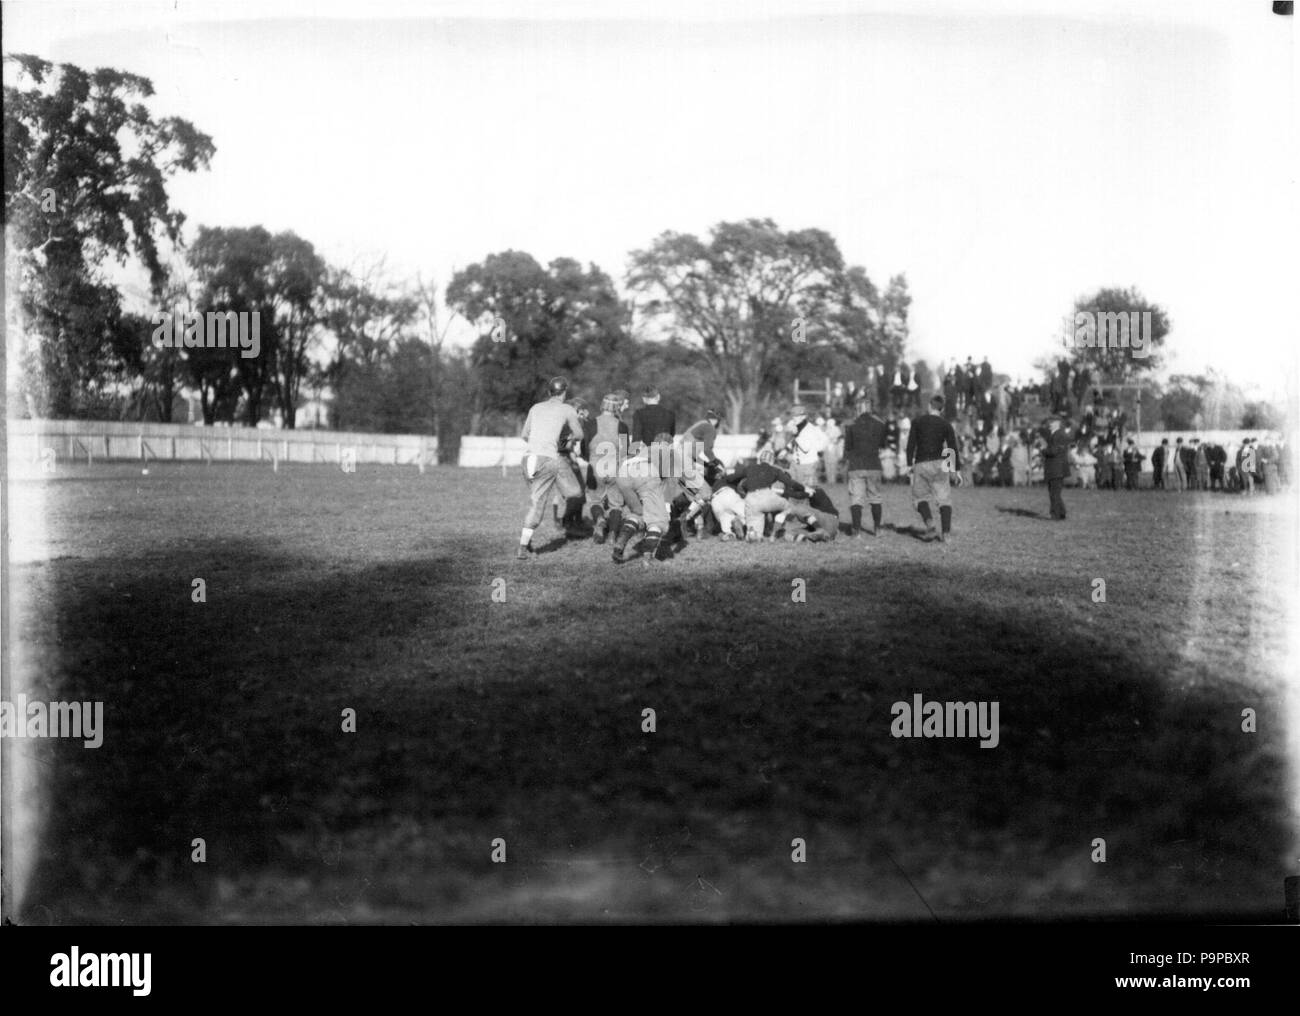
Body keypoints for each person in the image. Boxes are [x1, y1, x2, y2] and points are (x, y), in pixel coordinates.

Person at [517, 376, 586, 559]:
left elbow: (525, 435)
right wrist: (565, 438)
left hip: (527, 458)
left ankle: (527, 542)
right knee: (543, 503)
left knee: (536, 501)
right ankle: (523, 549)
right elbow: (579, 434)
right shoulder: (567, 409)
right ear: (564, 392)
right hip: (547, 459)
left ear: (549, 392)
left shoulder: (535, 407)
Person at [905, 394, 962, 543]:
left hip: (921, 463)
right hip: (940, 464)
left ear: (929, 406)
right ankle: (946, 534)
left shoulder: (917, 422)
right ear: (941, 409)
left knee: (920, 498)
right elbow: (952, 448)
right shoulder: (946, 425)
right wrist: (956, 470)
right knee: (944, 500)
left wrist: (909, 464)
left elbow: (911, 445)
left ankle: (929, 522)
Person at [843, 400, 887, 536]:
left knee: (856, 499)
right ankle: (877, 529)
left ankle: (856, 530)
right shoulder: (880, 424)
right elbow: (883, 444)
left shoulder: (850, 426)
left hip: (856, 466)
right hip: (874, 465)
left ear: (858, 409)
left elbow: (847, 449)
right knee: (875, 498)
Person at [787, 405, 828, 488]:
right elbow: (795, 443)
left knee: (806, 491)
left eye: (797, 416)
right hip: (797, 463)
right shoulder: (799, 428)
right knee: (793, 490)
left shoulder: (810, 429)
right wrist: (786, 449)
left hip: (807, 465)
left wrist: (795, 435)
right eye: (793, 416)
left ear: (804, 417)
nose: (794, 418)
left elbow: (805, 448)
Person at [1041, 413, 1071, 519]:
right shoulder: (1056, 434)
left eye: (1052, 422)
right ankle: (1061, 513)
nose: (1049, 424)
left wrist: (1043, 450)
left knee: (1054, 493)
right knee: (1055, 492)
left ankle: (1055, 515)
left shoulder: (1059, 435)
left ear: (1057, 423)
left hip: (1056, 468)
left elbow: (1054, 451)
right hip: (1056, 468)